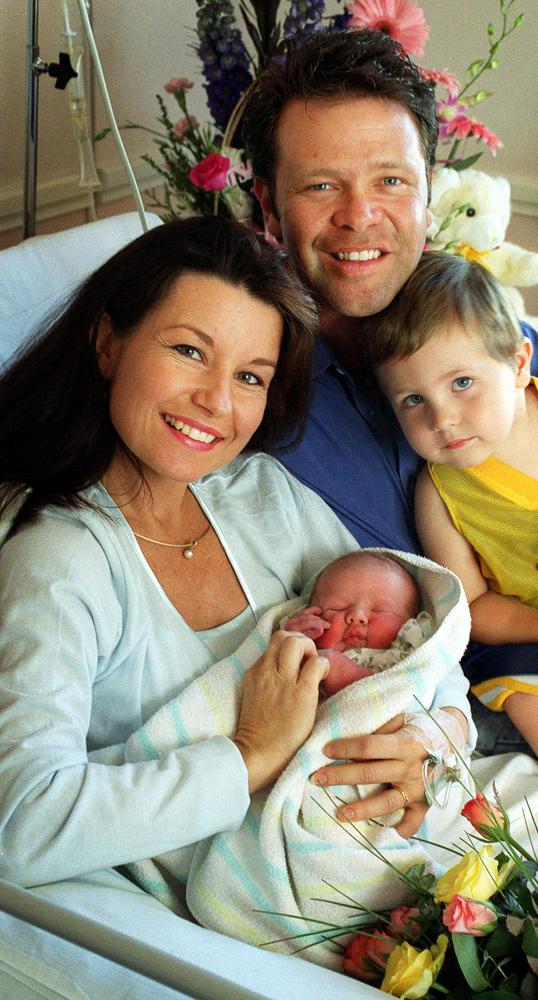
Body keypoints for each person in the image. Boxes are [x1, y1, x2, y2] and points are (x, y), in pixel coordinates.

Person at [240, 26, 538, 782]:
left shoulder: (475, 323)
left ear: (429, 191)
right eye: (321, 185)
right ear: (268, 204)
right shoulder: (253, 379)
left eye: (390, 181)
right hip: (491, 681)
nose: (360, 216)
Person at [0, 216, 363, 890]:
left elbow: (404, 619)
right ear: (108, 342)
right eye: (190, 352)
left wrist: (428, 741)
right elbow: (22, 820)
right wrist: (252, 753)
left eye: (251, 377)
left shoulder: (260, 493)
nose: (216, 401)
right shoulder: (58, 560)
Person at [365, 250, 538, 818]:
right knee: (531, 700)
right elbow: (471, 604)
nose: (441, 418)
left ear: (521, 362)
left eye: (463, 383)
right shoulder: (441, 492)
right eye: (412, 400)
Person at [285, 550, 466, 707]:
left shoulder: (411, 649)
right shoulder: (311, 652)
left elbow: (416, 694)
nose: (357, 616)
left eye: (381, 610)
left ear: (411, 622)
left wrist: (351, 675)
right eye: (337, 608)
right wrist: (294, 641)